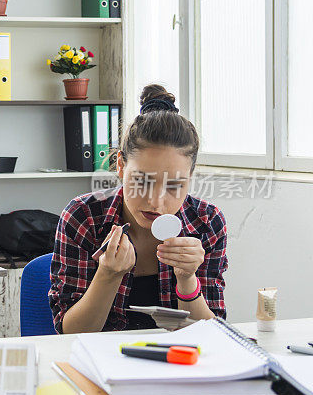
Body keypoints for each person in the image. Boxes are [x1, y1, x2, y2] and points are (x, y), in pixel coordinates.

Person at [49, 84, 228, 333]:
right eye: (142, 181)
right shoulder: (83, 216)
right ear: (121, 166)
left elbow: (212, 334)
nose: (155, 201)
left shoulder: (206, 222)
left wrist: (187, 279)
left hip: (176, 364)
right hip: (103, 363)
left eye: (174, 185)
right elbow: (71, 333)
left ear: (191, 177)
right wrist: (108, 275)